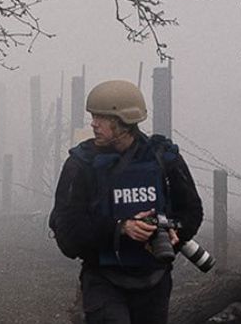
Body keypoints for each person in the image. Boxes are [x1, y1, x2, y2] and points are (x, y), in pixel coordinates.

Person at [49, 79, 203, 324]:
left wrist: (174, 230)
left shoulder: (163, 158)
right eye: (93, 116)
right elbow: (68, 234)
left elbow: (192, 212)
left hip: (154, 278)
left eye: (102, 118)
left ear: (124, 122)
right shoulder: (81, 164)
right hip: (103, 278)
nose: (93, 124)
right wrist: (120, 228)